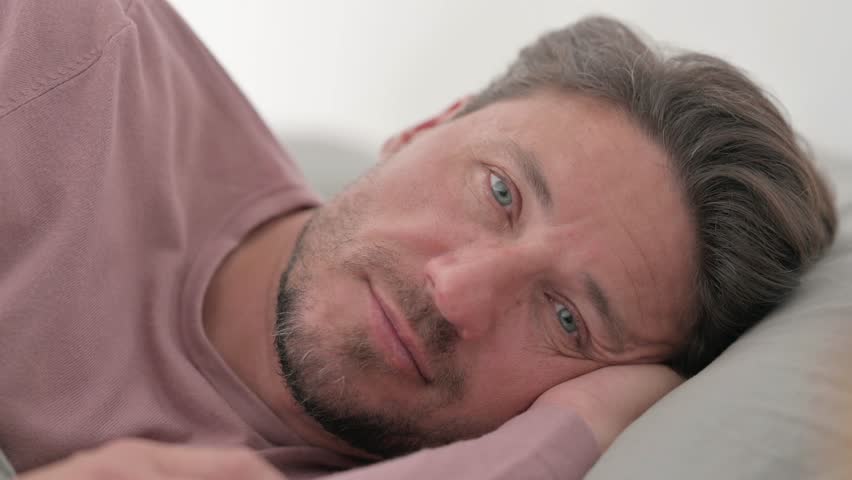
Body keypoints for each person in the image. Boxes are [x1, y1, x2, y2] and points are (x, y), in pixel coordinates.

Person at [0, 0, 836, 479]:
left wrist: (580, 425)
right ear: (426, 126)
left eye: (566, 319)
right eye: (500, 193)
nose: (457, 294)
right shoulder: (55, 51)